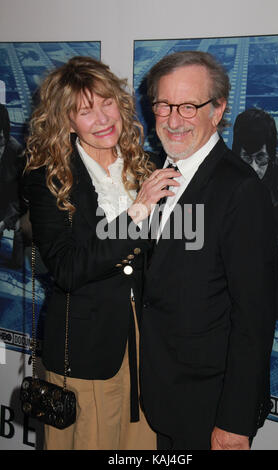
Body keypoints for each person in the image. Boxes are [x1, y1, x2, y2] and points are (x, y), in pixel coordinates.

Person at [23, 56, 177, 450]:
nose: (103, 118)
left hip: (148, 346)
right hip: (86, 350)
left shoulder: (149, 165)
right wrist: (138, 211)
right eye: (85, 111)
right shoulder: (48, 179)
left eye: (107, 102)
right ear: (66, 121)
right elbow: (68, 269)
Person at [137, 51, 278, 450]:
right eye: (164, 104)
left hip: (210, 410)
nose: (174, 119)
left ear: (217, 111)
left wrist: (234, 423)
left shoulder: (240, 190)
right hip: (166, 397)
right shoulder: (157, 174)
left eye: (189, 105)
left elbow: (254, 319)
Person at [232, 108, 278, 319]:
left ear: (271, 154)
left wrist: (263, 250)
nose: (253, 167)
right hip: (237, 249)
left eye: (261, 159)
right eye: (246, 158)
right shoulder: (222, 172)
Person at [0, 103, 25, 268]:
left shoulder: (16, 152)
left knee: (21, 226)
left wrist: (4, 222)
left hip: (10, 208)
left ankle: (17, 262)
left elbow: (21, 197)